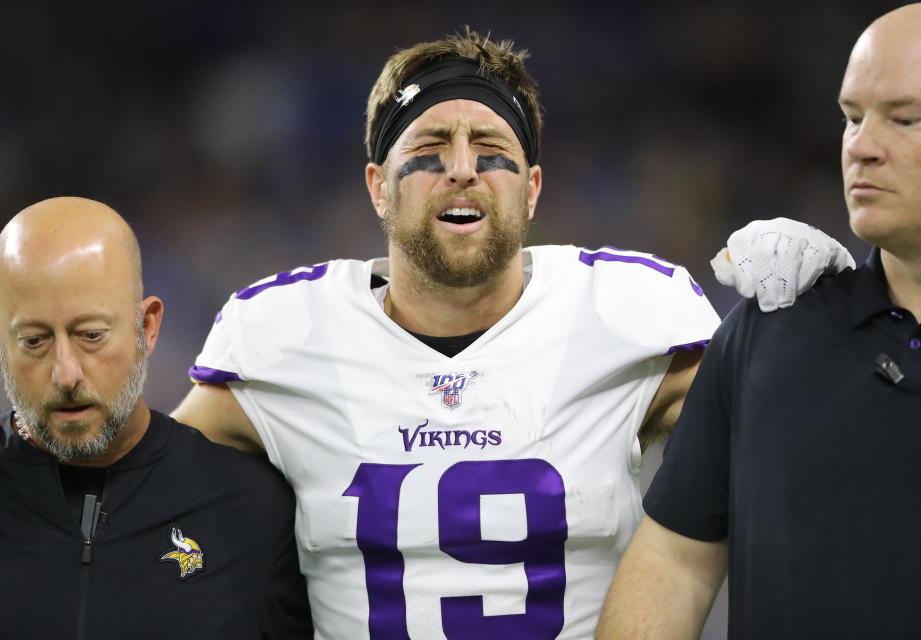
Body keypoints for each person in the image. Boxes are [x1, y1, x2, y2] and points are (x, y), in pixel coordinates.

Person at [172, 28, 851, 638]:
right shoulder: (286, 337)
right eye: (431, 148)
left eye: (491, 149)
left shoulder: (629, 313)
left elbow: (810, 448)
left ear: (531, 189)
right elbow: (138, 486)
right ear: (379, 187)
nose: (462, 167)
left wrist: (825, 322)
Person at [596, 3, 921, 639]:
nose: (862, 147)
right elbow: (675, 561)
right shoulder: (771, 327)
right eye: (852, 117)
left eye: (905, 120)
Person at [0, 197, 312, 639]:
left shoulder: (252, 508)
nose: (65, 373)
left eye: (91, 336)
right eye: (34, 341)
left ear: (147, 327)